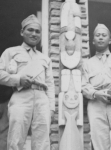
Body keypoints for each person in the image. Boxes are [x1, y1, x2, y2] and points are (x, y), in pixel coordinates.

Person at [0, 14, 55, 150]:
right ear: (22, 32)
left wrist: (52, 108)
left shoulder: (44, 58)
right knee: (16, 138)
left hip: (42, 99)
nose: (34, 34)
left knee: (42, 141)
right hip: (20, 96)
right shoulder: (11, 52)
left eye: (37, 31)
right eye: (30, 30)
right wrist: (18, 79)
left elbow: (50, 84)